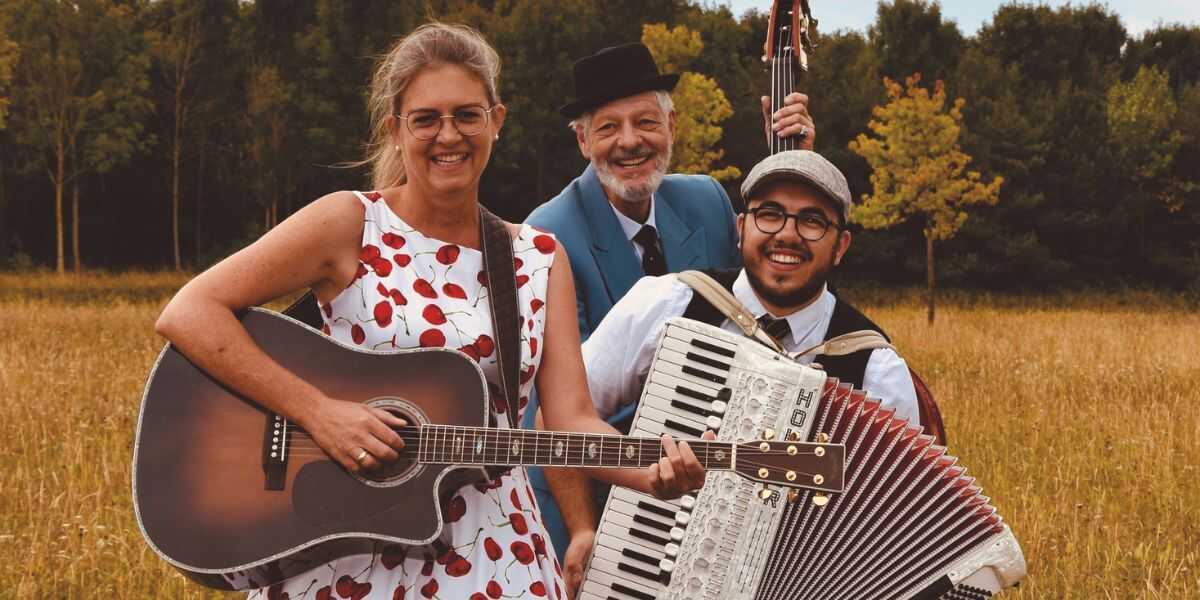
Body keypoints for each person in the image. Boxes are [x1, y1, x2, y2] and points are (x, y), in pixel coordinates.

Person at [153, 23, 710, 600]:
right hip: (350, 547)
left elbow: (570, 418)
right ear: (395, 130)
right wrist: (319, 413)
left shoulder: (539, 258)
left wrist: (651, 472)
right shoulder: (348, 224)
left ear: (496, 120)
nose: (449, 135)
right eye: (426, 119)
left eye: (467, 115)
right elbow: (189, 312)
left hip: (497, 553)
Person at [554, 150, 921, 598]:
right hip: (643, 578)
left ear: (840, 245)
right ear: (742, 227)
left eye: (812, 221)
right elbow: (558, 416)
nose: (787, 234)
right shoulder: (667, 303)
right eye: (770, 214)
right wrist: (582, 527)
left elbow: (895, 526)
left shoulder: (876, 370)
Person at [521, 41, 817, 563]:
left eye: (645, 122)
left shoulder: (707, 199)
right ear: (583, 140)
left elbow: (775, 293)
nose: (630, 142)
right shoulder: (546, 236)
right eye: (608, 127)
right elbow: (558, 411)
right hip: (588, 495)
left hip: (707, 489)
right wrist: (582, 529)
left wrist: (799, 166)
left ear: (672, 126)